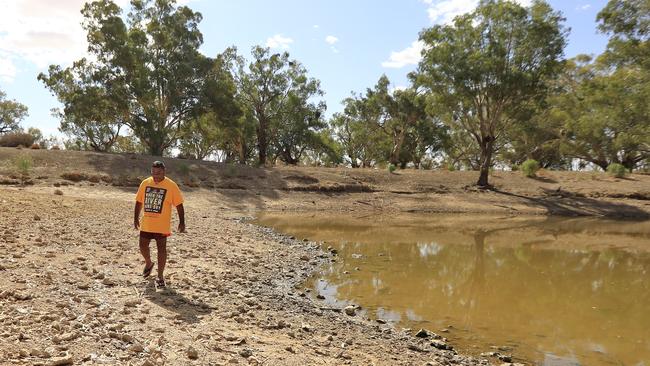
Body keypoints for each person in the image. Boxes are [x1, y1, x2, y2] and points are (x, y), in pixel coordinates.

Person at [134, 160, 185, 288]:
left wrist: (182, 221)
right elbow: (139, 201)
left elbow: (179, 204)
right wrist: (135, 217)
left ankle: (160, 276)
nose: (156, 175)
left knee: (161, 249)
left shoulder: (171, 185)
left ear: (164, 172)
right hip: (147, 223)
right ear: (151, 171)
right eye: (154, 172)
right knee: (142, 245)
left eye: (159, 172)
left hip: (162, 225)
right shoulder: (145, 183)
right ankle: (149, 262)